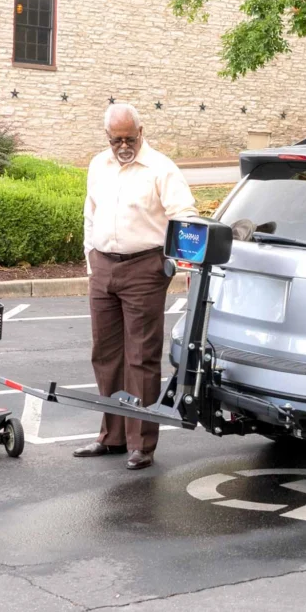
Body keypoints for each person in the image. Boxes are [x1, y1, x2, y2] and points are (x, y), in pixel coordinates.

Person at [74, 103, 198, 469]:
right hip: (103, 266)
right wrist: (90, 259)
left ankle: (141, 444)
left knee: (140, 357)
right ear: (107, 138)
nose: (123, 145)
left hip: (145, 266)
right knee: (105, 354)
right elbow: (89, 212)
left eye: (130, 138)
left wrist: (177, 263)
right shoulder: (99, 164)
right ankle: (110, 437)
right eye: (117, 140)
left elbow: (184, 215)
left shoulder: (161, 168)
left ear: (141, 132)